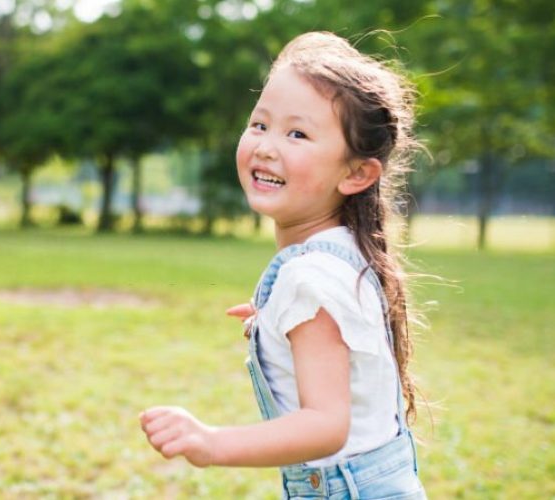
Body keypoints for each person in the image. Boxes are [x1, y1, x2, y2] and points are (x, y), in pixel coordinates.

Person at [139, 31, 427, 499]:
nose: (268, 146)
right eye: (260, 125)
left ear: (356, 173)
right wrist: (274, 319)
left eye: (297, 133)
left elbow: (326, 426)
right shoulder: (346, 254)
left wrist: (211, 442)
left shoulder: (310, 277)